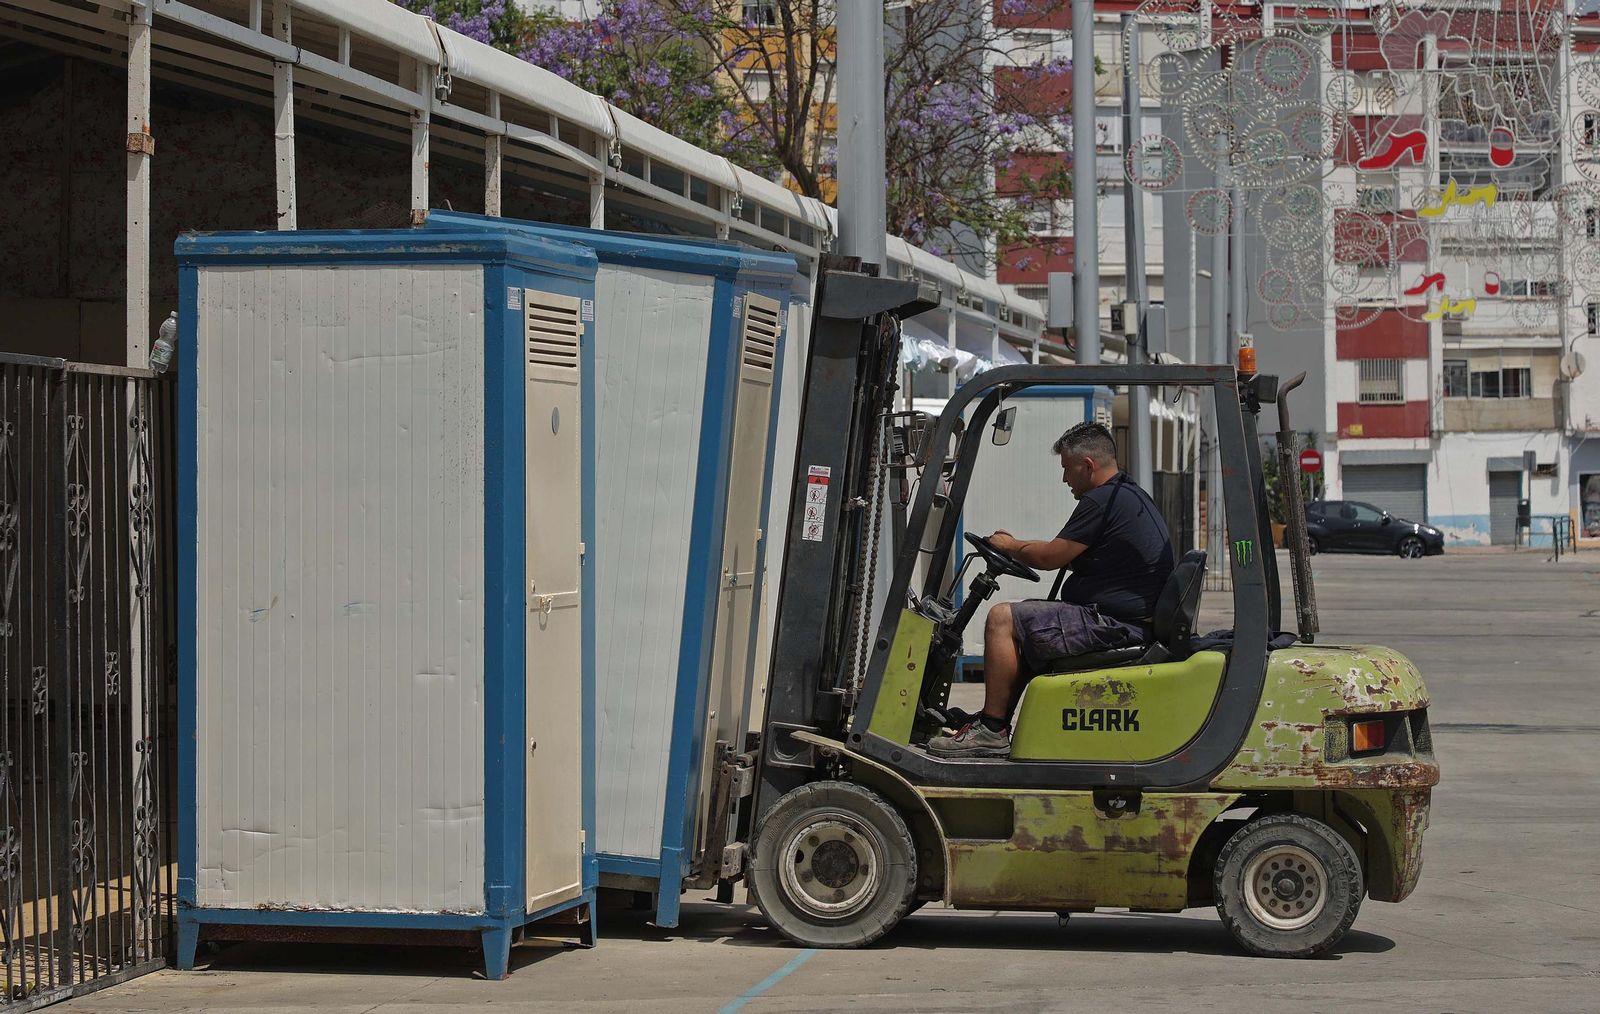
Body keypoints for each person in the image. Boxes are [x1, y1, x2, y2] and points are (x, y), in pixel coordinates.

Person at [928, 421, 1174, 758]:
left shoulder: (1102, 500)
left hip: (1115, 626)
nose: (1064, 480)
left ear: (1087, 466)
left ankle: (992, 730)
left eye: (1067, 470)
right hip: (1122, 619)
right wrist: (1014, 546)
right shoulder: (1127, 495)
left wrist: (1010, 544)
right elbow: (1067, 552)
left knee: (1003, 619)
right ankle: (992, 720)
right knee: (1027, 621)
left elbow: (1050, 557)